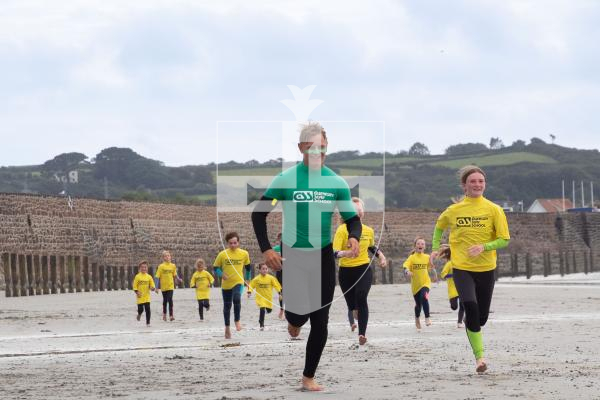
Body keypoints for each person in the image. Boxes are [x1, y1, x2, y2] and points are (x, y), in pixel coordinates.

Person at [251, 121, 361, 391]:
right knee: (298, 316)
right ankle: (294, 321)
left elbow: (351, 218)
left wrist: (354, 235)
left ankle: (308, 376)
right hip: (292, 255)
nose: (318, 153)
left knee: (320, 318)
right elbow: (258, 213)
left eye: (322, 148)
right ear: (301, 147)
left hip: (322, 254)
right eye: (312, 148)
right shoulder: (285, 179)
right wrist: (267, 249)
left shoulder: (336, 183)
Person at [430, 165, 510, 374]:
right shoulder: (454, 210)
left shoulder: (494, 209)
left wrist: (484, 246)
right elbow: (439, 227)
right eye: (473, 181)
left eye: (480, 181)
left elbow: (504, 239)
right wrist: (435, 248)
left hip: (486, 268)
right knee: (471, 307)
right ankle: (480, 358)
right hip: (462, 268)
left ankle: (471, 324)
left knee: (480, 318)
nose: (477, 184)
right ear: (464, 186)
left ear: (485, 184)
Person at [333, 197, 386, 345]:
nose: (358, 210)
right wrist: (347, 253)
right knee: (353, 307)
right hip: (346, 272)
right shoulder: (342, 230)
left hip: (363, 269)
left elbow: (372, 247)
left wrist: (381, 256)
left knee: (362, 297)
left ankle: (362, 334)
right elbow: (334, 252)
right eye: (354, 208)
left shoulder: (368, 230)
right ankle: (355, 311)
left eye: (360, 208)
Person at [213, 232, 251, 339]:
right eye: (231, 243)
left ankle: (237, 320)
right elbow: (215, 267)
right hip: (226, 285)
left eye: (235, 243)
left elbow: (248, 268)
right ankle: (227, 328)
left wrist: (248, 280)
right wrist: (221, 275)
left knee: (237, 298)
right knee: (227, 306)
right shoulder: (222, 254)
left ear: (238, 242)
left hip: (238, 282)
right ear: (227, 243)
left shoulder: (244, 253)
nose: (233, 245)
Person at [403, 237, 436, 330]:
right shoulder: (412, 258)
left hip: (425, 283)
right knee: (418, 305)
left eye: (422, 244)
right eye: (418, 244)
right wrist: (407, 272)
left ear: (424, 247)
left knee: (424, 297)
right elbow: (405, 266)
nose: (420, 245)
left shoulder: (427, 257)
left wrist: (433, 262)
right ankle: (417, 318)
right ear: (415, 246)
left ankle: (427, 317)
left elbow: (431, 266)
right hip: (415, 285)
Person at [247, 263, 282, 330]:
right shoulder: (256, 279)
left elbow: (277, 285)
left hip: (268, 299)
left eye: (266, 269)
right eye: (263, 269)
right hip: (260, 298)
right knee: (262, 308)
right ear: (260, 270)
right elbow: (251, 285)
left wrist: (279, 293)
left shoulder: (271, 278)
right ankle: (261, 324)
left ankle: (264, 313)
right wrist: (249, 292)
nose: (265, 270)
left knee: (269, 310)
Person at [438, 245, 465, 328]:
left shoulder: (462, 262)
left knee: (463, 305)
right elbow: (443, 274)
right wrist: (453, 275)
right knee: (454, 307)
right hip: (453, 289)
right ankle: (459, 319)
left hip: (462, 287)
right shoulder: (449, 264)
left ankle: (459, 322)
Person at [155, 250, 181, 321]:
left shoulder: (173, 266)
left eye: (169, 255)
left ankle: (171, 315)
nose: (168, 257)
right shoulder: (161, 266)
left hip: (170, 286)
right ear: (163, 258)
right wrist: (156, 287)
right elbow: (157, 277)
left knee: (170, 300)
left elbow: (175, 274)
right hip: (163, 287)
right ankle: (164, 314)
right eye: (166, 256)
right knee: (165, 301)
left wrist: (178, 279)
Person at [133, 260, 156, 326]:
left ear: (147, 268)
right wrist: (137, 292)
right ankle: (139, 314)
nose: (144, 268)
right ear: (139, 268)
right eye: (142, 267)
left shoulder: (149, 277)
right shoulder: (137, 276)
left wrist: (152, 288)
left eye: (145, 267)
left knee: (148, 309)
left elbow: (152, 285)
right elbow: (134, 286)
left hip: (147, 296)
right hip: (140, 296)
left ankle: (148, 323)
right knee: (141, 309)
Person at [272, 233, 285, 319]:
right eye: (281, 239)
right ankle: (281, 310)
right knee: (281, 292)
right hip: (280, 272)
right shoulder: (275, 249)